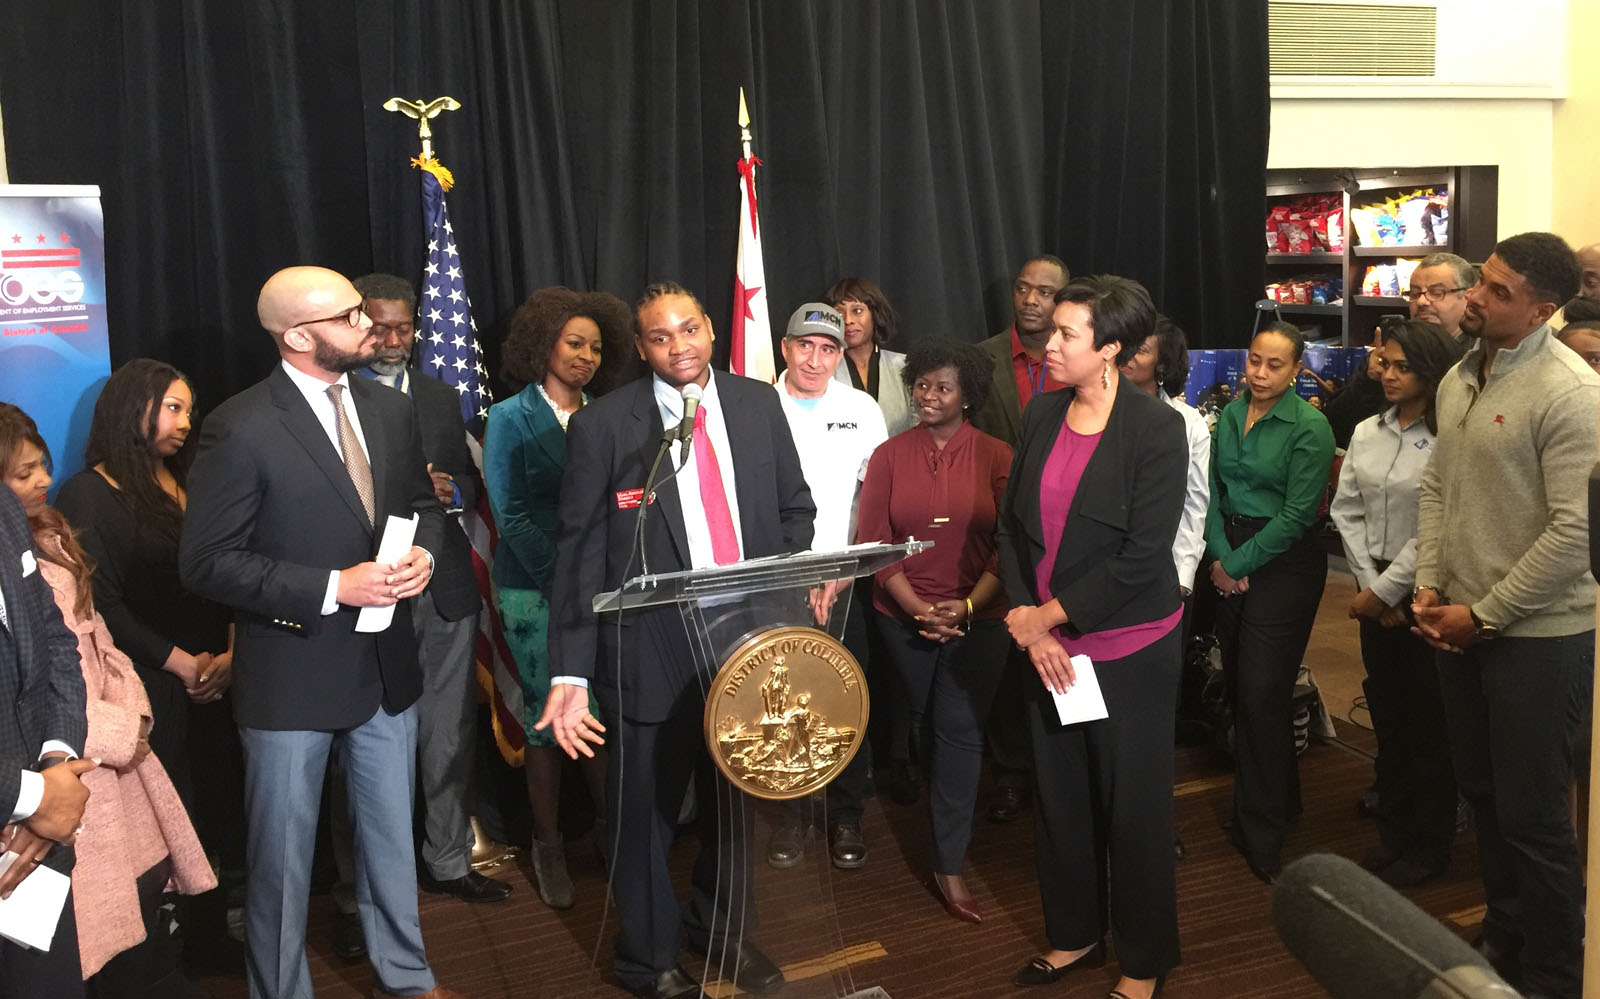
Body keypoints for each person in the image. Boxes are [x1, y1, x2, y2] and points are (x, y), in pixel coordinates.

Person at [178, 265, 459, 999]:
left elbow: (422, 506)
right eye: (349, 316)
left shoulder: (389, 408)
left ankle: (408, 978)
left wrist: (424, 554)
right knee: (281, 861)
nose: (368, 325)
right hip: (290, 679)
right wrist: (335, 586)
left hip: (385, 669)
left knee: (391, 845)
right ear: (298, 336)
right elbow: (206, 563)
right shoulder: (239, 425)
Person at [542, 281, 814, 999]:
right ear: (641, 347)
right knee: (644, 817)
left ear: (711, 330)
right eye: (660, 337)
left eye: (688, 329)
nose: (678, 346)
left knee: (733, 805)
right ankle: (648, 959)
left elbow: (796, 509)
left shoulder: (757, 404)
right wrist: (570, 672)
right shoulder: (603, 426)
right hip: (647, 652)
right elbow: (577, 555)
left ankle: (722, 932)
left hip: (746, 644)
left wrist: (781, 598)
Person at [1411, 232, 1598, 999]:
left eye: (1498, 291)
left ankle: (1555, 973)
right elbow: (1437, 486)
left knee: (1535, 817)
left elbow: (1575, 534)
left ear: (1542, 310)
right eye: (1480, 281)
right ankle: (1506, 934)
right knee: (1484, 794)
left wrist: (1484, 614)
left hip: (1537, 638)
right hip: (1460, 623)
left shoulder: (1571, 394)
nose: (1476, 299)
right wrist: (1428, 582)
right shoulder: (1461, 375)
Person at [996, 275, 1187, 999]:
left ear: (1109, 349)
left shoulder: (1156, 428)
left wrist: (1045, 618)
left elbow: (1142, 557)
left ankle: (1144, 960)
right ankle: (1075, 932)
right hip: (1048, 647)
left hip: (1128, 650)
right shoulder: (1042, 412)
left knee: (1133, 808)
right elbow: (1012, 530)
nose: (1049, 343)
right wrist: (1033, 626)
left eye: (1067, 333)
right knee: (1063, 799)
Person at [1, 403, 216, 997]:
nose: (44, 479)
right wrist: (106, 742)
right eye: (24, 473)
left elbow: (88, 646)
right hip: (67, 781)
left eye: (42, 466)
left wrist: (131, 717)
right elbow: (31, 683)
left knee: (139, 931)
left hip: (90, 768)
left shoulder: (43, 535)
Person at [53, 358, 242, 972]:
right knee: (168, 817)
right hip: (154, 685)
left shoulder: (195, 479)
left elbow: (232, 568)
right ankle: (165, 956)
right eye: (173, 408)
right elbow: (101, 604)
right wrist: (183, 665)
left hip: (219, 677)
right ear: (132, 408)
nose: (186, 423)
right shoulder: (88, 494)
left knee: (215, 805)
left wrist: (230, 654)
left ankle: (211, 935)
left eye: (190, 410)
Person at [348, 273, 510, 914]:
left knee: (449, 733)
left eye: (404, 328)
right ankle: (358, 891)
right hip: (366, 589)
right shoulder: (334, 394)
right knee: (361, 744)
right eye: (381, 327)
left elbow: (471, 480)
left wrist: (454, 491)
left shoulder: (441, 397)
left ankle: (448, 862)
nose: (393, 341)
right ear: (358, 323)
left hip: (442, 588)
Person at [482, 285, 633, 908]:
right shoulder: (508, 418)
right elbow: (510, 514)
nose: (586, 357)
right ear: (544, 343)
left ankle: (612, 835)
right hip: (534, 590)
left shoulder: (610, 414)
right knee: (550, 717)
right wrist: (569, 582)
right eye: (574, 344)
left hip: (604, 590)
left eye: (596, 348)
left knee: (598, 710)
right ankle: (547, 844)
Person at [855, 340, 1011, 923]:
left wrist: (967, 607)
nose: (928, 396)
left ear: (967, 395)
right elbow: (874, 543)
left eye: (943, 387)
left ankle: (949, 863)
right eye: (922, 385)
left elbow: (1009, 545)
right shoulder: (888, 455)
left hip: (982, 620)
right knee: (924, 722)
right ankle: (933, 808)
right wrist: (919, 608)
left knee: (960, 733)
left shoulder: (998, 455)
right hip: (902, 618)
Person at [1328, 321, 1465, 888]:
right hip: (1373, 586)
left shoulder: (1451, 434)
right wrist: (1369, 586)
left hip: (1429, 589)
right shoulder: (1367, 430)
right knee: (1388, 714)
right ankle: (1395, 834)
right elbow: (1346, 509)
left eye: (1402, 367)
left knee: (1428, 723)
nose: (1387, 374)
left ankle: (1430, 846)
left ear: (1431, 373)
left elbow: (1437, 521)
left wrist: (1386, 591)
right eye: (1385, 363)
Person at [1206, 320, 1336, 884]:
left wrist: (1236, 565)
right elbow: (1212, 493)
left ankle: (1261, 831)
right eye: (1255, 360)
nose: (1260, 373)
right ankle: (1282, 800)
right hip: (1231, 549)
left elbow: (1298, 515)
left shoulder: (1310, 425)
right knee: (1244, 687)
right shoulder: (1232, 414)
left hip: (1284, 562)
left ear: (1297, 370)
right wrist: (1220, 556)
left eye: (1274, 365)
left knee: (1262, 691)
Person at [767, 302, 888, 871]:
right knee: (778, 701)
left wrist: (843, 571)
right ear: (785, 347)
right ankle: (789, 815)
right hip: (775, 582)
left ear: (841, 354)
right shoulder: (755, 406)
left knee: (844, 697)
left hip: (845, 580)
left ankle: (845, 813)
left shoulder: (861, 408)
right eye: (805, 346)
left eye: (828, 349)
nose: (815, 360)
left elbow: (874, 497)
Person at [970, 254, 1071, 824]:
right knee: (1008, 652)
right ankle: (1010, 771)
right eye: (1023, 288)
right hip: (999, 528)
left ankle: (1059, 771)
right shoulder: (981, 359)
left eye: (1045, 292)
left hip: (1066, 528)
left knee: (1064, 647)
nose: (1031, 300)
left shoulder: (1075, 359)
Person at [0, 452, 94, 999]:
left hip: (35, 851)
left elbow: (56, 641)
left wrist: (57, 765)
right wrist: (32, 797)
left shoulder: (6, 509)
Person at [826, 277, 913, 435]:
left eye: (857, 311)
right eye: (839, 313)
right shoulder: (824, 371)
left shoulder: (905, 366)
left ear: (875, 314)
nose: (848, 320)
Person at [1403, 252, 1475, 340]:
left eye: (1436, 293)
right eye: (1414, 293)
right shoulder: (1398, 344)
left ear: (1468, 298)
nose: (1420, 301)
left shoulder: (1483, 346)